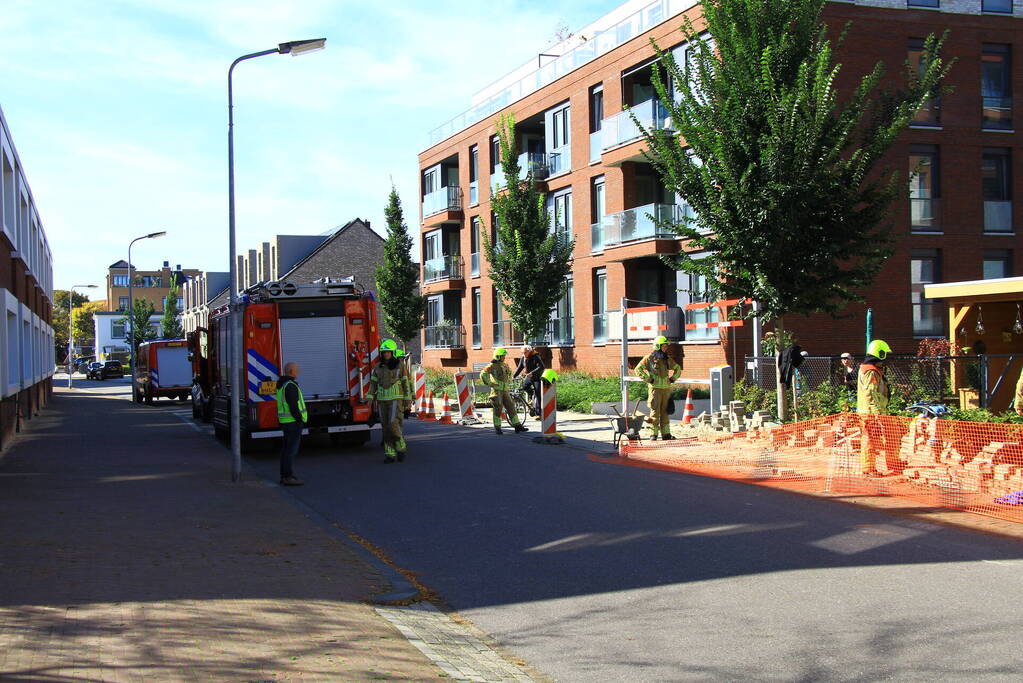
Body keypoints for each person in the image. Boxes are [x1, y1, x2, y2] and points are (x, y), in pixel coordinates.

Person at [857, 339, 898, 476]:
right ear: (879, 354)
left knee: (890, 435)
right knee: (870, 440)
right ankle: (868, 469)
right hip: (870, 413)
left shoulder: (871, 369)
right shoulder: (871, 371)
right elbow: (870, 392)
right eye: (885, 355)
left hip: (876, 411)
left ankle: (893, 463)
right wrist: (876, 412)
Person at [367, 339, 412, 463]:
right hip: (381, 401)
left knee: (393, 424)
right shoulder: (378, 367)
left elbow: (405, 383)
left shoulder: (400, 365)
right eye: (384, 352)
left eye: (388, 352)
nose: (386, 354)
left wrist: (408, 399)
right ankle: (390, 454)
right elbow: (373, 383)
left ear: (392, 352)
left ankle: (401, 447)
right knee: (385, 428)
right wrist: (370, 397)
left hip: (395, 399)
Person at [636, 336, 681, 441]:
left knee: (665, 413)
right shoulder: (649, 358)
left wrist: (672, 379)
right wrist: (649, 380)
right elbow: (638, 369)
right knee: (654, 413)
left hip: (666, 390)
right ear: (658, 346)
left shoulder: (667, 359)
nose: (666, 348)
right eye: (664, 346)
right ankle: (653, 435)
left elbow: (677, 368)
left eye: (666, 346)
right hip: (655, 390)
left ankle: (666, 435)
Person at [481, 347, 528, 435]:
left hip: (505, 390)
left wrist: (510, 379)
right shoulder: (491, 366)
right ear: (497, 356)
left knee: (511, 407)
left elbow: (509, 373)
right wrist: (490, 383)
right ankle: (497, 427)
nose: (504, 357)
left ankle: (517, 426)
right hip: (497, 391)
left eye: (504, 356)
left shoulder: (504, 364)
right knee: (498, 408)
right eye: (503, 356)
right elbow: (483, 374)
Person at [275, 361, 306, 486]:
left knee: (286, 450)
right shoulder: (290, 386)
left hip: (287, 423)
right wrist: (299, 419)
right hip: (293, 423)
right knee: (290, 451)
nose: (298, 372)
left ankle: (285, 476)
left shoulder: (282, 384)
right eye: (297, 370)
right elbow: (293, 406)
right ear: (291, 371)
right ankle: (288, 477)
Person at [513, 345, 545, 416]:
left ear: (529, 351)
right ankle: (532, 396)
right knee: (525, 387)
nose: (523, 354)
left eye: (525, 352)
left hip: (537, 377)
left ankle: (539, 414)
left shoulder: (536, 356)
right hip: (529, 376)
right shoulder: (523, 358)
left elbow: (541, 367)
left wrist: (532, 373)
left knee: (538, 394)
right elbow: (519, 368)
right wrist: (513, 376)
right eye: (522, 352)